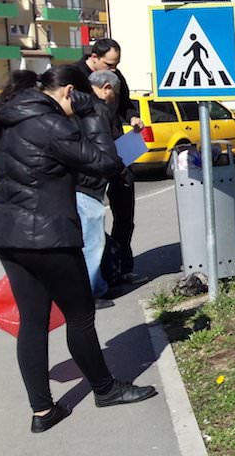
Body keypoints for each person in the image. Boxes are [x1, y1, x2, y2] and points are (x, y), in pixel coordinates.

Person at [0, 67, 157, 433]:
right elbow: (108, 163)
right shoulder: (49, 124)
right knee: (80, 317)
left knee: (32, 322)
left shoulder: (6, 122)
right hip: (49, 237)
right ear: (67, 92)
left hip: (6, 235)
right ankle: (106, 390)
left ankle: (42, 411)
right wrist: (95, 113)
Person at [74, 38, 146, 285]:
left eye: (117, 65)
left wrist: (133, 117)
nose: (114, 70)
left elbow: (125, 104)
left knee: (125, 213)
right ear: (94, 57)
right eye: (109, 64)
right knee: (89, 220)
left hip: (119, 149)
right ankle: (94, 277)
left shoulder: (116, 76)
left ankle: (123, 267)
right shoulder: (74, 76)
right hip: (88, 156)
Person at [74, 70, 123, 308]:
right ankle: (91, 292)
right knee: (92, 242)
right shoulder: (96, 109)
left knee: (86, 240)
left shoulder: (72, 107)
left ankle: (97, 285)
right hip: (89, 185)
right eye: (115, 92)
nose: (114, 98)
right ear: (106, 87)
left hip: (75, 183)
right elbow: (104, 151)